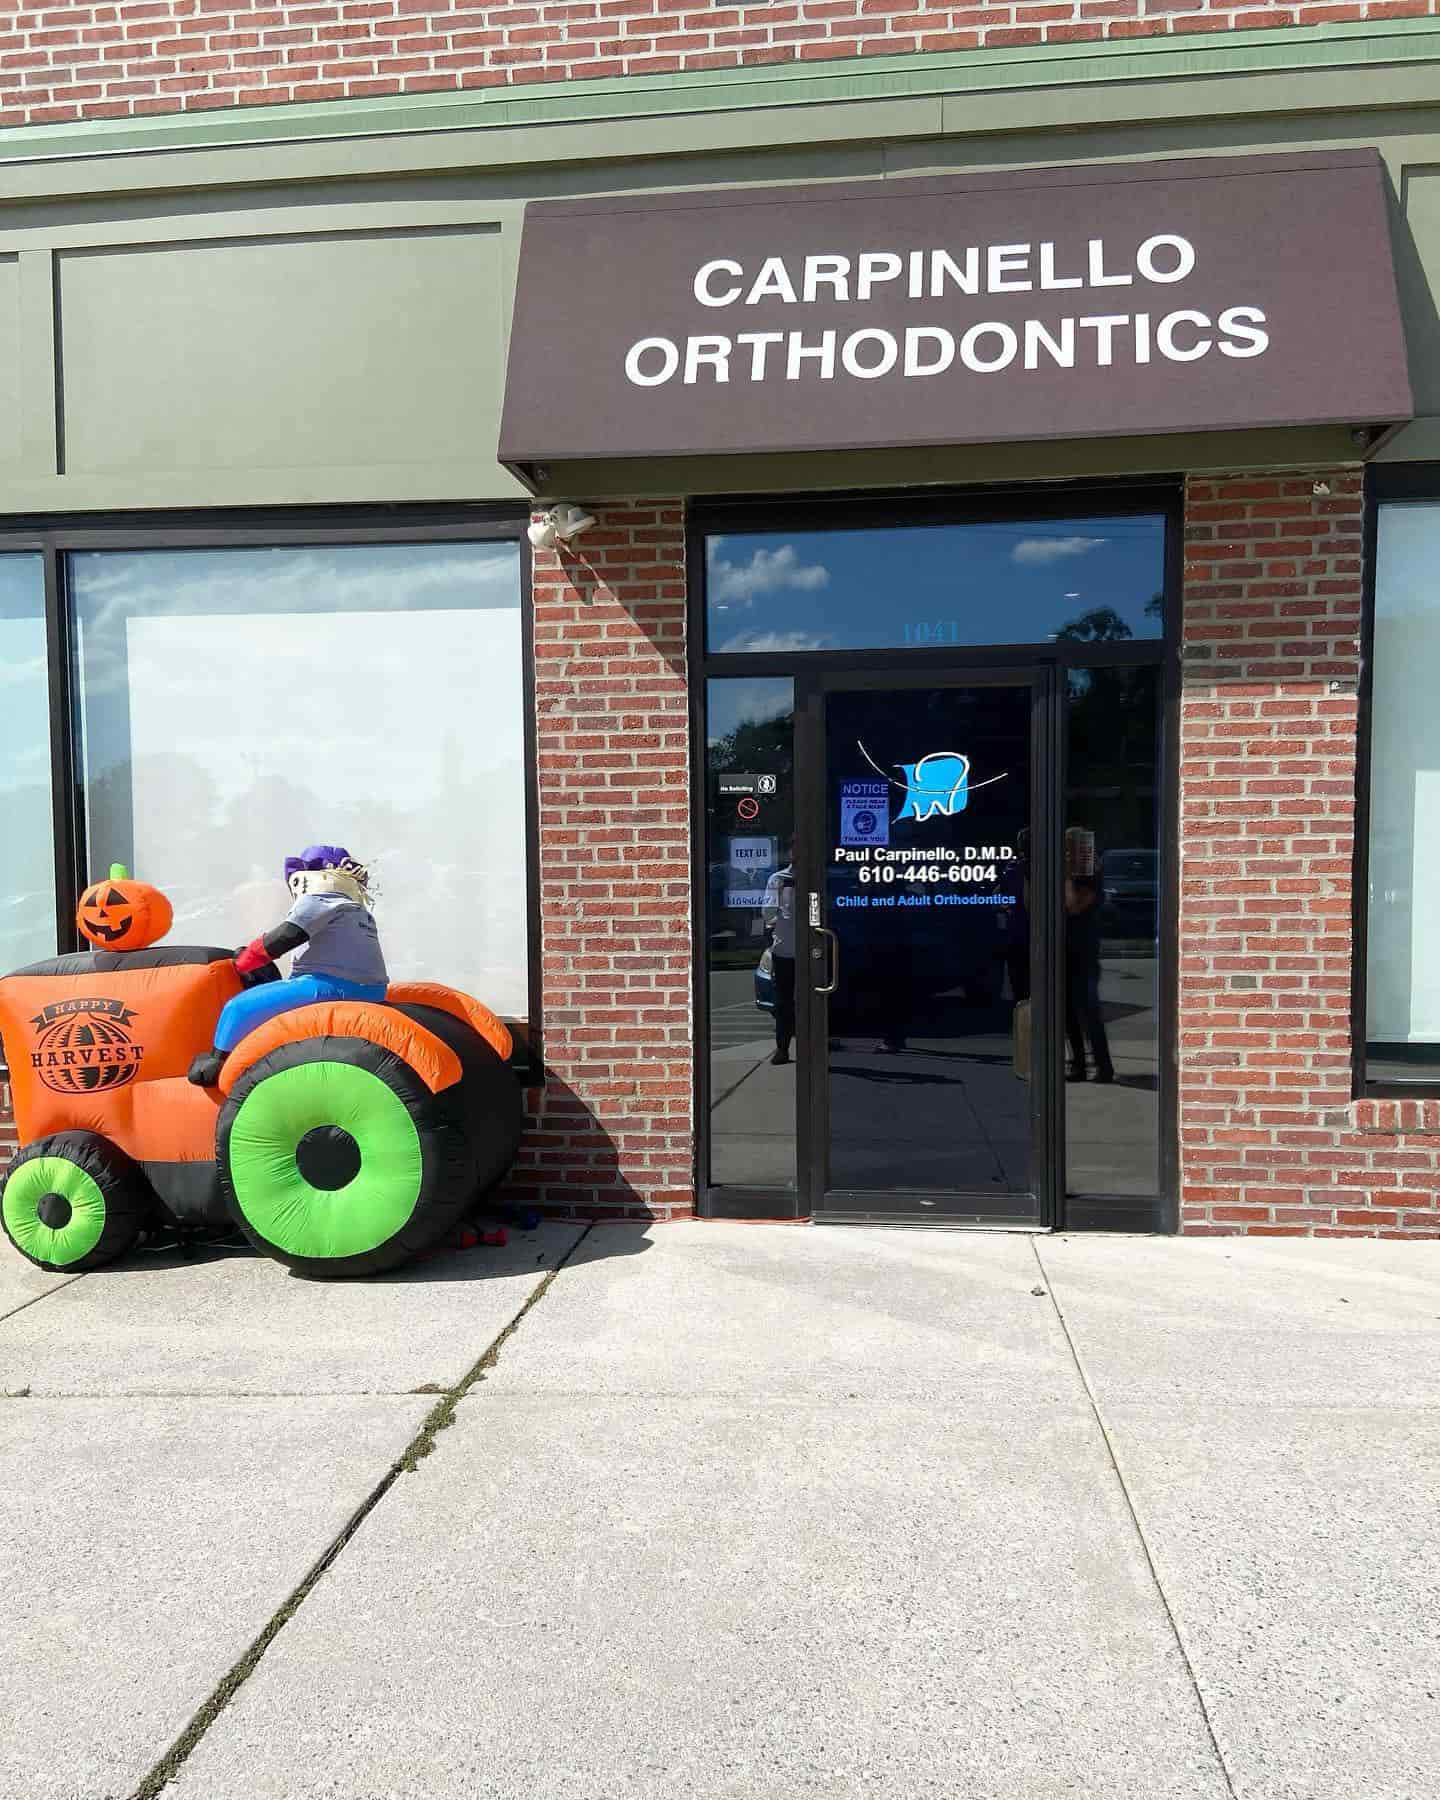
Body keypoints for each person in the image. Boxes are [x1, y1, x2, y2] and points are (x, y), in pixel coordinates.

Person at [187, 844, 389, 1086]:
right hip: (371, 990)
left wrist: (245, 960)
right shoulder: (356, 909)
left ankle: (215, 1065)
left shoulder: (320, 900)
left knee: (239, 1007)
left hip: (331, 986)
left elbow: (284, 937)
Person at [1064, 868, 1114, 1084]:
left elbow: (1073, 905)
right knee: (1069, 1015)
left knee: (1089, 1014)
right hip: (1065, 953)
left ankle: (1103, 1067)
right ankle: (1079, 1065)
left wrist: (1066, 878)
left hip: (1083, 955)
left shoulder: (1087, 875)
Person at [761, 837, 797, 1066]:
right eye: (795, 848)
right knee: (784, 1002)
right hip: (785, 950)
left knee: (812, 1000)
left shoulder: (818, 877)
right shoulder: (779, 879)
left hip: (812, 949)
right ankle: (782, 1048)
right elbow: (767, 912)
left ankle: (819, 1041)